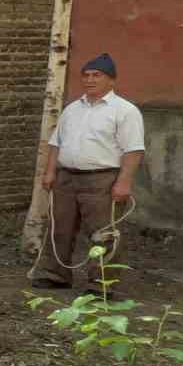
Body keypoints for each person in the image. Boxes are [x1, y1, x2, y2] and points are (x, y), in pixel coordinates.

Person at [33, 53, 145, 294]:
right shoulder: (72, 109)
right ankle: (55, 274)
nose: (90, 80)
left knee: (103, 233)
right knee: (59, 228)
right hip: (66, 178)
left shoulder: (125, 111)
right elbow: (56, 143)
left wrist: (124, 183)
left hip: (102, 179)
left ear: (111, 80)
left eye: (97, 75)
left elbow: (133, 150)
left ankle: (102, 283)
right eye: (86, 75)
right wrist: (50, 172)